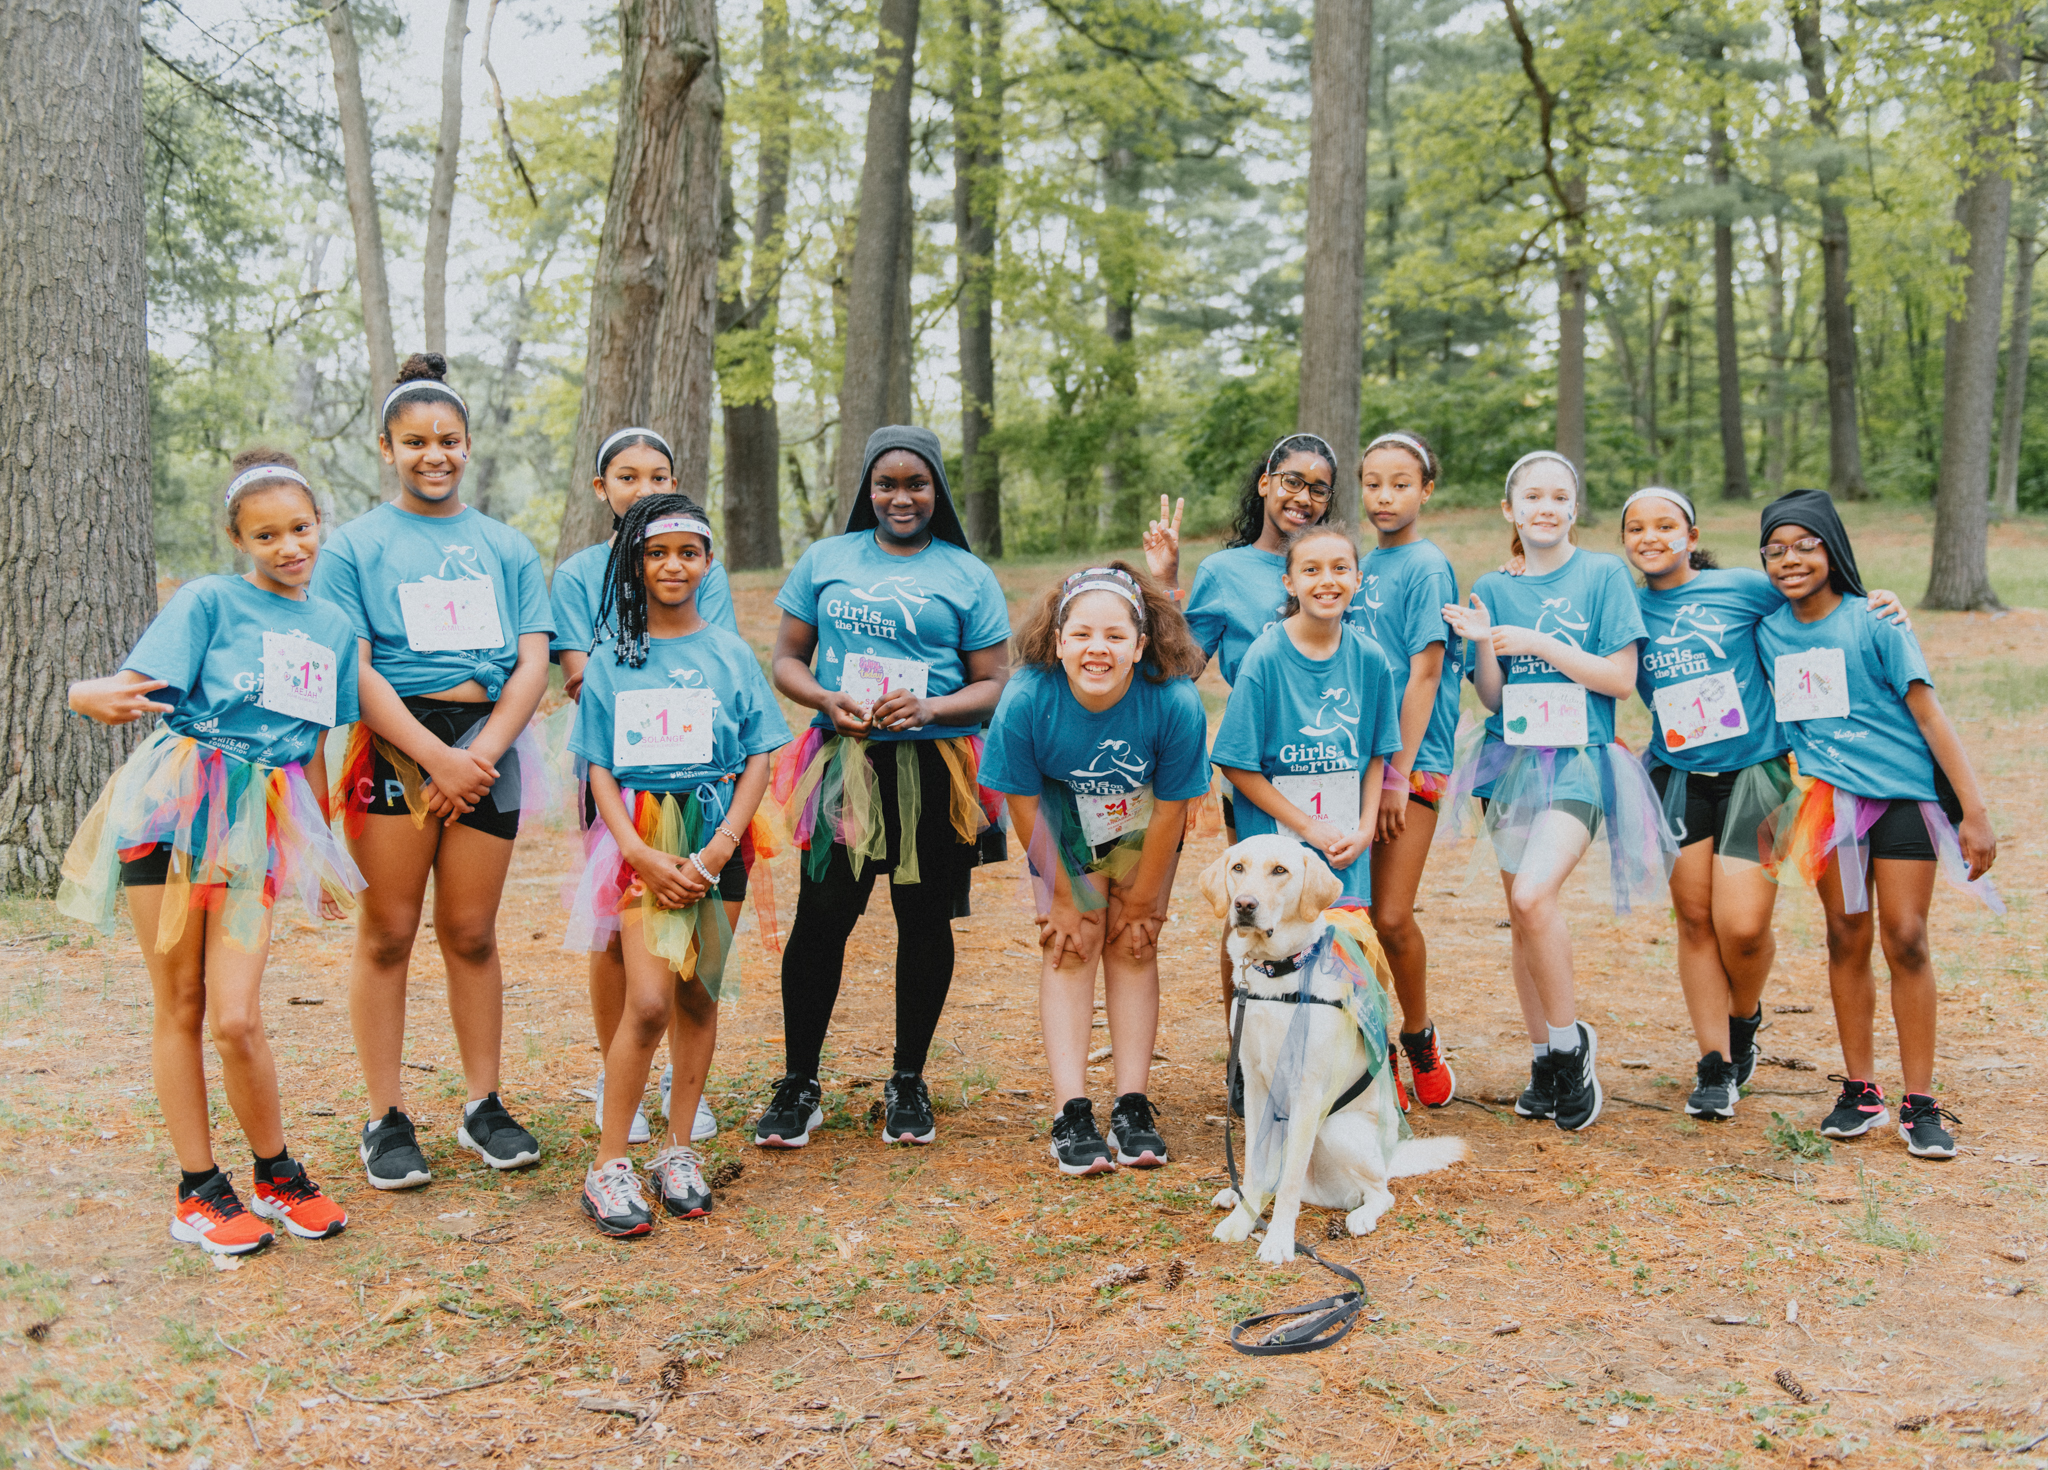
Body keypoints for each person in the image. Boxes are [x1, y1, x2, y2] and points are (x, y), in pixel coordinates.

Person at [59, 450, 362, 1253]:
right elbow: (128, 689)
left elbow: (313, 750)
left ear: (318, 525)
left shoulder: (333, 628)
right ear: (238, 539)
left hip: (261, 822)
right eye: (267, 534)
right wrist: (84, 695)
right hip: (172, 808)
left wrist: (321, 853)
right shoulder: (206, 603)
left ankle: (277, 1176)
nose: (289, 546)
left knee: (237, 1016)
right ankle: (198, 1189)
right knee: (183, 1003)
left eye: (300, 528)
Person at [313, 352, 555, 1190]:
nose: (434, 455)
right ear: (387, 448)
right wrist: (433, 755)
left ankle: (484, 1102)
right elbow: (354, 664)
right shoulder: (354, 547)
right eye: (414, 442)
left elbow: (533, 660)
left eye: (448, 440)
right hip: (396, 746)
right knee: (386, 934)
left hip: (489, 748)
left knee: (472, 933)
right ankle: (385, 1117)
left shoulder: (506, 546)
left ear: (469, 443)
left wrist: (479, 755)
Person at [1620, 487, 1911, 1121]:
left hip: (1758, 773)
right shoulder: (1625, 608)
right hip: (1675, 775)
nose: (1651, 537)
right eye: (1636, 528)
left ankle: (1743, 1017)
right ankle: (1715, 1065)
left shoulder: (1744, 589)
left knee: (1743, 928)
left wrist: (1881, 604)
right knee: (1695, 920)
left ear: (1691, 536)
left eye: (1665, 525)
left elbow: (1816, 594)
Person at [757, 426, 1011, 1150]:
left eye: (917, 483)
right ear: (866, 489)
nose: (901, 497)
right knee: (823, 918)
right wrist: (824, 698)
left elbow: (995, 684)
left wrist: (930, 707)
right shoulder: (827, 559)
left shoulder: (966, 573)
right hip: (846, 763)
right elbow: (785, 658)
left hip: (933, 768)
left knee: (923, 920)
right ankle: (798, 1081)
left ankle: (907, 1081)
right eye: (886, 484)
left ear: (938, 490)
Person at [564, 495, 787, 1234]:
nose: (672, 565)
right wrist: (636, 851)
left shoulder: (728, 653)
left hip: (719, 832)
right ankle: (608, 1164)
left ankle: (679, 1148)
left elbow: (759, 753)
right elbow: (596, 765)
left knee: (699, 996)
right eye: (657, 552)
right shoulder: (612, 658)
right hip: (642, 841)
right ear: (633, 562)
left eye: (688, 552)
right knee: (650, 1001)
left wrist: (721, 844)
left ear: (708, 563)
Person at [1753, 490, 1998, 1160]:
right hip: (1831, 810)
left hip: (1900, 802)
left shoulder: (1877, 621)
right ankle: (1861, 1088)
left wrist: (1972, 811)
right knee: (1845, 933)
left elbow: (1930, 718)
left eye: (1806, 545)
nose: (1790, 559)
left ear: (1833, 549)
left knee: (1908, 937)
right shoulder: (1768, 628)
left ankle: (1921, 1101)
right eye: (1775, 549)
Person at [1440, 451, 1676, 1134]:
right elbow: (1491, 694)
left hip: (1581, 758)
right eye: (1532, 497)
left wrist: (1540, 639)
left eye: (1560, 496)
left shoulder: (1602, 575)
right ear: (1511, 510)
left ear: (1575, 508)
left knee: (1533, 894)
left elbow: (1620, 681)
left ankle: (1572, 1046)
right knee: (1522, 917)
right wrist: (1487, 643)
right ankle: (1544, 1056)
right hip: (1509, 760)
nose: (1546, 506)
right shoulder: (1493, 583)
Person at [1143, 433, 1353, 1101]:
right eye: (1291, 480)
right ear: (1264, 483)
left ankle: (1332, 1050)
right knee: (1253, 907)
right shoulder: (1228, 572)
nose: (1304, 497)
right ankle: (1247, 1051)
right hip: (1260, 771)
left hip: (1336, 767)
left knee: (1334, 911)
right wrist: (1166, 581)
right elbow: (1184, 662)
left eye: (1319, 488)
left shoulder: (1336, 563)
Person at [982, 564, 1210, 1175]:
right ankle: (1072, 1111)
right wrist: (1063, 895)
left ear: (1142, 644)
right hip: (1060, 814)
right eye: (1081, 634)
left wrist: (1141, 902)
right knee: (1073, 943)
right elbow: (1023, 803)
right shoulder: (1029, 696)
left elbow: (1172, 808)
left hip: (1141, 814)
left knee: (1134, 944)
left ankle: (1132, 1105)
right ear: (1058, 642)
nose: (1097, 649)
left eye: (1114, 636)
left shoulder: (1174, 701)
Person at [552, 427, 735, 1151]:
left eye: (659, 476)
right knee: (614, 926)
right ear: (602, 490)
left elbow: (710, 660)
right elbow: (578, 673)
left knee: (691, 930)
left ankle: (678, 1084)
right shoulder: (578, 573)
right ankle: (616, 1069)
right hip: (617, 776)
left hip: (698, 776)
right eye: (627, 478)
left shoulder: (696, 566)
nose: (644, 490)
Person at [1212, 524, 1400, 909]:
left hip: (1341, 850)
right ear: (1289, 582)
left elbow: (1377, 755)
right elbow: (1236, 766)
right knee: (1278, 957)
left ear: (1358, 579)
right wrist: (1306, 826)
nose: (1327, 581)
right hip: (1276, 855)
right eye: (1311, 570)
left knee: (1341, 956)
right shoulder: (1263, 659)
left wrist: (1364, 831)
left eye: (1340, 568)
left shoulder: (1370, 659)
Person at [1357, 431, 1463, 1108]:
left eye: (1400, 483)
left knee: (1392, 916)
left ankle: (1419, 1032)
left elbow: (1424, 673)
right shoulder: (1360, 565)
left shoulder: (1427, 566)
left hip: (1411, 762)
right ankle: (1373, 1058)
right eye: (1372, 482)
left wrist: (1396, 775)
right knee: (1356, 916)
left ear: (1426, 490)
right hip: (1353, 763)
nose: (1385, 496)